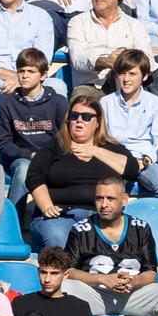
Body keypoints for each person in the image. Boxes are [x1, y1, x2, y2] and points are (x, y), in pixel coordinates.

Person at [59, 177, 158, 316]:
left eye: (110, 198)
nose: (104, 204)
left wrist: (135, 281)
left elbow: (151, 273)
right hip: (96, 294)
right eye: (99, 198)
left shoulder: (141, 228)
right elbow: (69, 272)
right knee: (63, 287)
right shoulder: (81, 229)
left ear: (125, 200)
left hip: (133, 295)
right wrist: (102, 279)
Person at [25, 90, 141, 249]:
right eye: (74, 116)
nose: (79, 120)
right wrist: (47, 207)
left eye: (86, 117)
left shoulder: (112, 148)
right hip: (59, 215)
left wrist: (95, 150)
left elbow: (132, 170)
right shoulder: (55, 146)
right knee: (59, 236)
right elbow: (34, 177)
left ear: (98, 122)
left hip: (99, 216)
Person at [99, 50, 158, 203]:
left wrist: (144, 161)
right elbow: (103, 138)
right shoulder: (106, 102)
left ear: (145, 76)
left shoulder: (155, 103)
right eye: (122, 74)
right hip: (117, 158)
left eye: (132, 74)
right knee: (108, 192)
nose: (126, 79)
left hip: (144, 158)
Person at [68, 0, 158, 90]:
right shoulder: (77, 22)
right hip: (91, 87)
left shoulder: (135, 25)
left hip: (126, 85)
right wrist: (105, 61)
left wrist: (124, 59)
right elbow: (78, 58)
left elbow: (148, 60)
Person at [0, 49, 66, 197]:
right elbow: (3, 143)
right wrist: (29, 154)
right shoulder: (8, 103)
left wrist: (49, 156)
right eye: (21, 71)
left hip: (52, 157)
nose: (25, 75)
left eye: (31, 71)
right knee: (23, 172)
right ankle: (15, 219)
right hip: (21, 158)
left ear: (44, 75)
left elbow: (65, 137)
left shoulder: (58, 102)